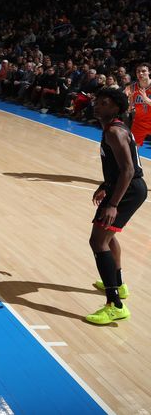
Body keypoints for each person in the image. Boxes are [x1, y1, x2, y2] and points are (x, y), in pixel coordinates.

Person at [86, 88, 146, 325]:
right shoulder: (116, 127)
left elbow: (129, 170)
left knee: (98, 241)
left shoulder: (113, 131)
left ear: (116, 108)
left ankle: (115, 305)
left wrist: (112, 203)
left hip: (128, 189)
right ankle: (118, 285)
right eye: (97, 101)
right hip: (127, 187)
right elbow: (120, 165)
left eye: (104, 103)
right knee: (108, 238)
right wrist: (105, 184)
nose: (97, 105)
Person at [125, 63, 151, 147]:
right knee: (131, 148)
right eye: (138, 71)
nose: (140, 73)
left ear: (149, 72)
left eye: (143, 71)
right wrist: (129, 104)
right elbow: (129, 109)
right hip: (139, 123)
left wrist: (146, 100)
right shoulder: (131, 88)